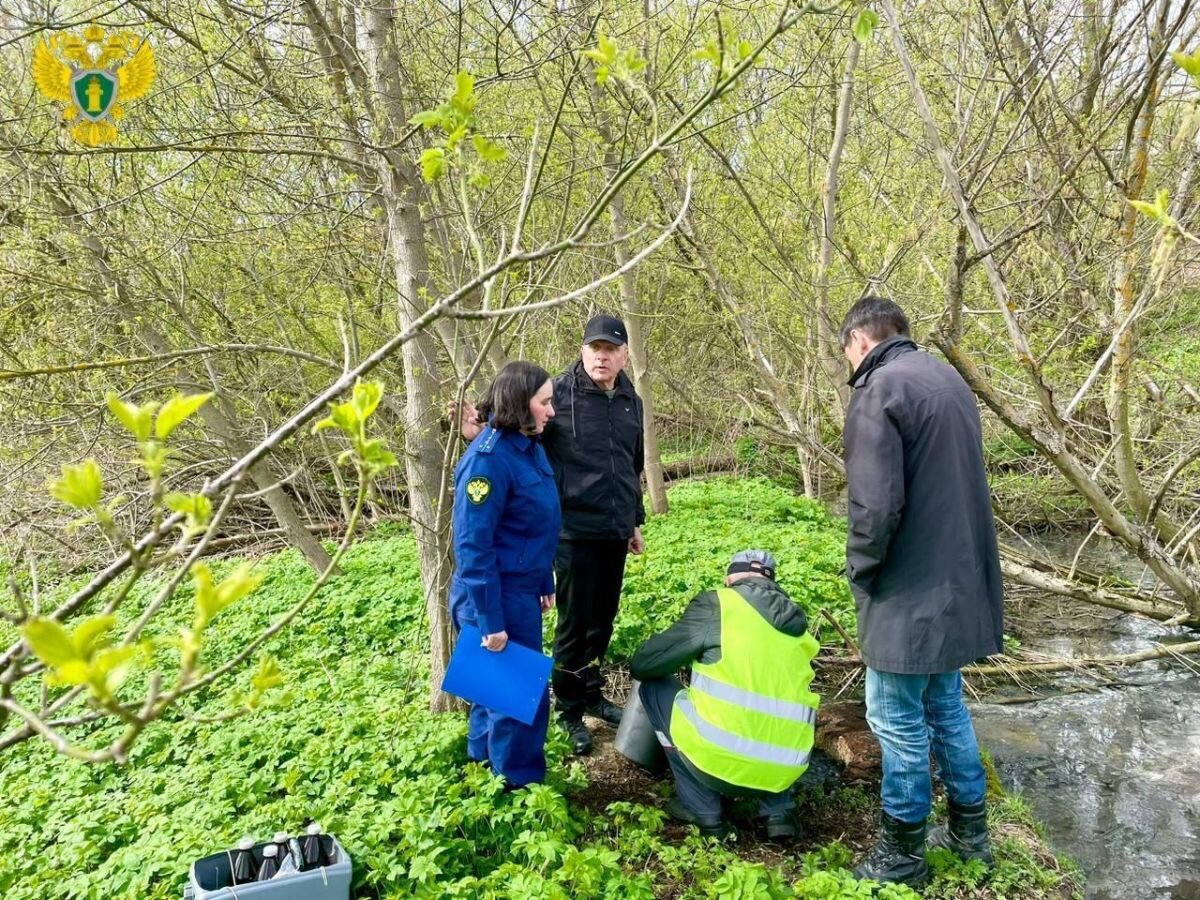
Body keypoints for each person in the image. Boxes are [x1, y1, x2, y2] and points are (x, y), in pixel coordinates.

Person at [839, 297, 1003, 887]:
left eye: (846, 355)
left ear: (860, 341)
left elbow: (874, 507)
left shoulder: (880, 392)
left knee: (897, 720)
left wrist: (862, 570)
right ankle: (971, 836)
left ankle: (901, 854)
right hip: (959, 582)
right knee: (947, 709)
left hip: (908, 589)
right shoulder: (947, 380)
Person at [457, 314, 647, 756]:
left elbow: (631, 463)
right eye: (594, 348)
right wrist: (479, 432)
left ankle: (592, 692)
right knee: (573, 624)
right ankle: (568, 711)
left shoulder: (628, 400)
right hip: (570, 532)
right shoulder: (555, 394)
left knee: (602, 619)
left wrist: (633, 519)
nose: (602, 355)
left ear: (623, 355)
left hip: (614, 529)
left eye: (611, 349)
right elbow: (513, 437)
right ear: (582, 350)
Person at [629, 550, 820, 840]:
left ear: (730, 577)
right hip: (786, 767)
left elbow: (644, 664)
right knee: (778, 713)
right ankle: (778, 813)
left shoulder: (719, 604)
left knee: (654, 687)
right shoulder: (798, 624)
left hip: (720, 762)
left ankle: (704, 811)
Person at [448, 361, 560, 787]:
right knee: (516, 699)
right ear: (520, 402)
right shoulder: (488, 461)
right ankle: (518, 788)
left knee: (492, 689)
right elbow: (474, 547)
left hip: (521, 586)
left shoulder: (528, 446)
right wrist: (491, 620)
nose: (551, 411)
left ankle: (483, 773)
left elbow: (535, 522)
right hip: (494, 594)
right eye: (544, 402)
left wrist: (544, 578)